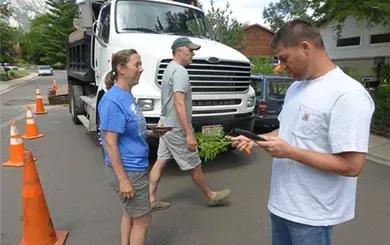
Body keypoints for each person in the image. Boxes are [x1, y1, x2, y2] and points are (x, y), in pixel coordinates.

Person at [228, 19, 375, 245]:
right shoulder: (296, 88)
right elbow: (287, 130)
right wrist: (257, 140)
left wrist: (290, 152)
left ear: (306, 48)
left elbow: (352, 166)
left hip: (312, 213)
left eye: (284, 58)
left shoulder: (348, 94)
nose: (281, 66)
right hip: (281, 204)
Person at [148, 37, 232, 211]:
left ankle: (150, 200)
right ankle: (211, 196)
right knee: (194, 164)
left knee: (160, 162)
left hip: (164, 125)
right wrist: (189, 133)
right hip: (175, 128)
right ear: (179, 51)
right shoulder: (179, 72)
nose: (193, 53)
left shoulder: (168, 69)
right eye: (190, 50)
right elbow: (179, 103)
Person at [99, 49, 164, 245]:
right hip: (129, 171)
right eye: (136, 65)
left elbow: (128, 130)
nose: (141, 69)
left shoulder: (127, 96)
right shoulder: (113, 101)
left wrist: (151, 133)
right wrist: (124, 180)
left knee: (130, 213)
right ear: (121, 68)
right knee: (143, 221)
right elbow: (110, 143)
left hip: (134, 168)